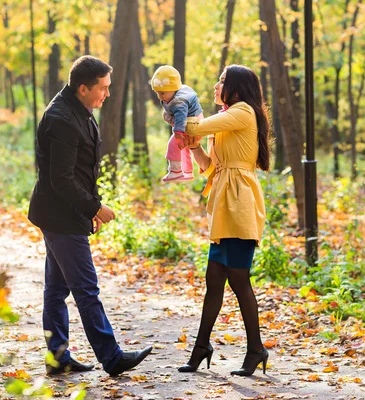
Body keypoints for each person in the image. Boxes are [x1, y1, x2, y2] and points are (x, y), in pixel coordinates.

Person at [28, 56, 152, 377]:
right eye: (103, 88)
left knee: (56, 289)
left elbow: (84, 171)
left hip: (67, 213)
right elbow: (62, 179)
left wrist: (90, 207)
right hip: (59, 216)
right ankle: (111, 358)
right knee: (86, 288)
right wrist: (95, 209)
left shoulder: (80, 110)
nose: (107, 94)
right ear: (83, 88)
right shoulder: (61, 119)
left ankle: (58, 358)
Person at [178, 65, 271, 376]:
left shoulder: (243, 112)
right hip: (224, 204)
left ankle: (256, 349)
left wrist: (179, 104)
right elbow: (210, 167)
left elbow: (194, 125)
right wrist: (195, 150)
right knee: (214, 280)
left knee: (239, 280)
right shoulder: (227, 120)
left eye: (222, 81)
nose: (216, 85)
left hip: (240, 204)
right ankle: (201, 347)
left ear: (236, 87)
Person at [150, 65, 203, 182]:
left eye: (162, 93)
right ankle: (187, 171)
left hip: (192, 125)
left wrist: (178, 132)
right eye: (157, 93)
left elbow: (181, 116)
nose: (160, 97)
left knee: (173, 145)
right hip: (195, 121)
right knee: (184, 148)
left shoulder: (179, 101)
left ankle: (175, 171)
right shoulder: (178, 91)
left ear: (174, 89)